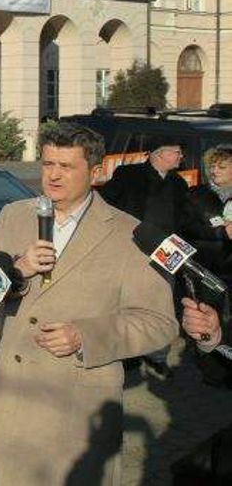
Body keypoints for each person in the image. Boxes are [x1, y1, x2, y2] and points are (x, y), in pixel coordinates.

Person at [0, 123, 177, 486]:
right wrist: (16, 270)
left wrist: (85, 336)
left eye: (66, 167)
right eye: (47, 164)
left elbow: (159, 322)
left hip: (78, 415)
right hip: (14, 404)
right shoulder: (14, 216)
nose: (52, 176)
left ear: (97, 172)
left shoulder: (129, 233)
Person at [100, 139, 189, 380]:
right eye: (177, 152)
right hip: (132, 248)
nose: (181, 156)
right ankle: (127, 354)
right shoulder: (128, 175)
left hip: (167, 252)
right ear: (159, 154)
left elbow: (184, 219)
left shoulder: (179, 183)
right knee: (126, 301)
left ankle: (157, 356)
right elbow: (104, 204)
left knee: (162, 304)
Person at [182, 145, 232, 287]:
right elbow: (187, 228)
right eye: (212, 166)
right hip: (205, 273)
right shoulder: (196, 195)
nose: (214, 171)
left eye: (221, 167)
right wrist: (221, 232)